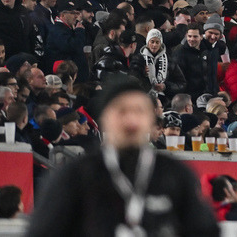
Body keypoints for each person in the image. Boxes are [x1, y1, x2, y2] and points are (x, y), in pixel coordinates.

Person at [25, 78, 219, 237]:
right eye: (121, 111)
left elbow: (204, 229)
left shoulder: (175, 175)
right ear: (104, 118)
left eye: (139, 112)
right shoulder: (75, 176)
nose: (131, 121)